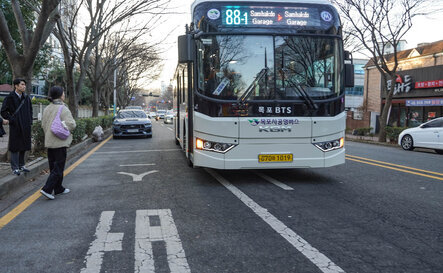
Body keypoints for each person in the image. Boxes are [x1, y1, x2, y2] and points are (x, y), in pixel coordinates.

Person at [40, 86, 76, 200]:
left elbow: (43, 125)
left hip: (49, 141)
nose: (64, 95)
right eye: (64, 93)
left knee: (53, 166)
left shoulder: (47, 108)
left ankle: (59, 188)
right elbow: (72, 124)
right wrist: (64, 128)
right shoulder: (63, 108)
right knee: (58, 167)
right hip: (59, 141)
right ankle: (47, 189)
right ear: (60, 95)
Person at [0, 79, 33, 175]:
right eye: (22, 84)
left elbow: (30, 111)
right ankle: (14, 167)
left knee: (24, 145)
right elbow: (3, 111)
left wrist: (30, 122)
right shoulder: (10, 97)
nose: (24, 86)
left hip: (26, 125)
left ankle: (21, 165)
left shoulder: (26, 98)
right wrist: (12, 120)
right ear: (16, 86)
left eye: (25, 84)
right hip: (15, 125)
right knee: (15, 146)